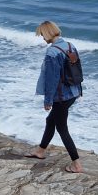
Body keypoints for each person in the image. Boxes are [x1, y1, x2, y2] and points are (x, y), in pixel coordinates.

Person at [25, 20, 84, 173]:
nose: (42, 38)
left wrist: (48, 100)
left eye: (42, 34)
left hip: (61, 96)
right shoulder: (70, 46)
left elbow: (52, 79)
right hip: (72, 92)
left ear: (48, 33)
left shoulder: (52, 52)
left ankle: (76, 164)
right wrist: (80, 90)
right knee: (50, 120)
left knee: (62, 128)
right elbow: (78, 69)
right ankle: (40, 150)